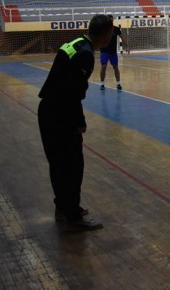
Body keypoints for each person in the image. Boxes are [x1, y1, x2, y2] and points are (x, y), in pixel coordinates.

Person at [38, 14, 113, 231]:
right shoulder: (85, 55)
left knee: (58, 164)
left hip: (49, 110)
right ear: (106, 35)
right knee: (72, 166)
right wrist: (79, 121)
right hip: (60, 114)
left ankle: (64, 206)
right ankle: (73, 216)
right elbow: (73, 93)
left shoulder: (76, 43)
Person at [99, 15, 130, 91]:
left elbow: (122, 37)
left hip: (113, 52)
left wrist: (127, 46)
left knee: (115, 67)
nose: (110, 21)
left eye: (111, 20)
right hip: (104, 51)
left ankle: (118, 83)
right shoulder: (103, 29)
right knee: (103, 66)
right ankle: (102, 84)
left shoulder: (116, 29)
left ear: (113, 20)